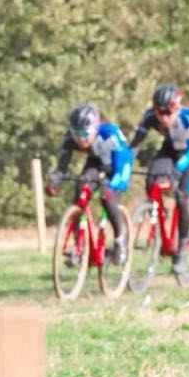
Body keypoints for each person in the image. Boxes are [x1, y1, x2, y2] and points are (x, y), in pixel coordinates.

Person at [129, 83, 189, 273]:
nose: (163, 118)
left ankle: (182, 249)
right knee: (151, 178)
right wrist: (125, 165)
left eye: (168, 113)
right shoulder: (149, 117)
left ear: (176, 108)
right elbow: (134, 146)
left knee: (182, 197)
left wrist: (177, 170)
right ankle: (160, 213)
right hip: (170, 149)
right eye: (159, 113)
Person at [47, 103, 133, 264]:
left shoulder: (110, 135)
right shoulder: (69, 139)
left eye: (84, 133)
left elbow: (121, 169)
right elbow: (61, 168)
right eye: (76, 133)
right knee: (81, 188)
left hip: (119, 165)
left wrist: (111, 186)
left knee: (108, 199)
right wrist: (54, 183)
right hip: (96, 163)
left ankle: (119, 242)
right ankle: (79, 247)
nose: (80, 139)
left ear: (95, 128)